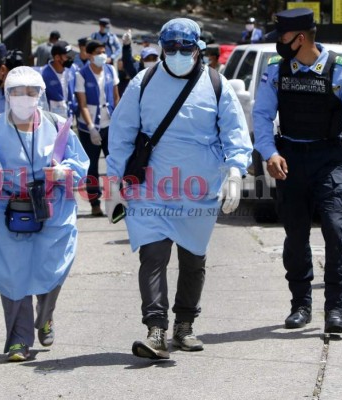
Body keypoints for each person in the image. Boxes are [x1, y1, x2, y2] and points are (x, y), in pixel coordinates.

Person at [105, 18, 252, 360]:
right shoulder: (143, 82)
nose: (177, 54)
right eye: (169, 48)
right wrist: (113, 182)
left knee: (192, 259)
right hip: (151, 187)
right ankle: (155, 329)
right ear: (161, 48)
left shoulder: (217, 84)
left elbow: (234, 132)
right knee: (153, 255)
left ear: (198, 48)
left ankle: (184, 326)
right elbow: (122, 133)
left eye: (185, 48)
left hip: (199, 187)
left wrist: (235, 170)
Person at [252, 8, 342, 334]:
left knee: (336, 231)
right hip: (290, 159)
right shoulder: (276, 71)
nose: (278, 43)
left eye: (281, 37)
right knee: (296, 235)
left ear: (300, 37)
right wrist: (270, 153)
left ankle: (335, 309)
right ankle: (301, 305)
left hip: (328, 158)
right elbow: (262, 117)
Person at [0, 66, 89, 362]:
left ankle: (45, 315)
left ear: (41, 95)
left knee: (53, 268)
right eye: (17, 92)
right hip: (8, 210)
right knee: (12, 274)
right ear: (6, 95)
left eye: (31, 92)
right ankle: (19, 340)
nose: (24, 98)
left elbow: (79, 163)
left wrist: (64, 171)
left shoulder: (57, 125)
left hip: (52, 207)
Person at [75, 40, 120, 217]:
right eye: (99, 52)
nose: (103, 55)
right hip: (89, 127)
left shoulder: (110, 70)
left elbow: (116, 98)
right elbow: (82, 104)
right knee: (92, 166)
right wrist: (91, 127)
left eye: (104, 52)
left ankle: (116, 201)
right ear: (90, 55)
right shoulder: (82, 74)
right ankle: (95, 202)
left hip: (109, 124)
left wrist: (119, 120)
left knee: (115, 163)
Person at [41, 40, 77, 118]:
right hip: (52, 119)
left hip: (68, 117)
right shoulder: (44, 74)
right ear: (57, 57)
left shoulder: (72, 69)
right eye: (67, 57)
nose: (71, 59)